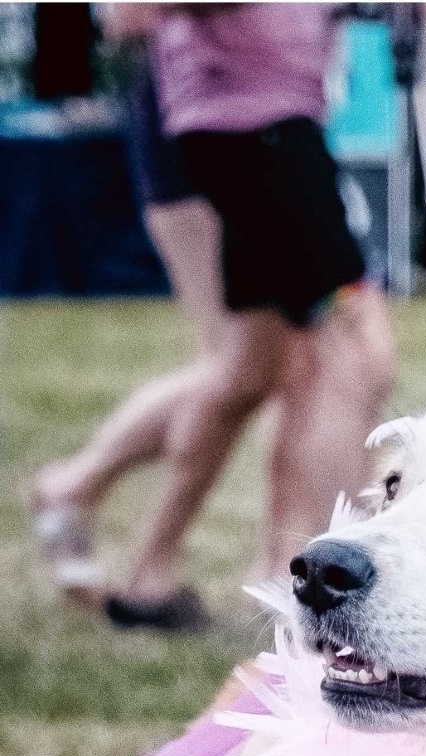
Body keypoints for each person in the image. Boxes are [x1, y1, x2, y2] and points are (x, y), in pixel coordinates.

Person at [42, 3, 395, 632]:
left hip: (258, 127)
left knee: (257, 366)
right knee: (349, 354)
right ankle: (316, 586)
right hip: (253, 131)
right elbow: (129, 13)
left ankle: (157, 570)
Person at [29, 8, 227, 613]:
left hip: (240, 121)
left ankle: (84, 493)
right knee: (236, 364)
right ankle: (87, 497)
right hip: (197, 126)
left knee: (254, 364)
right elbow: (127, 14)